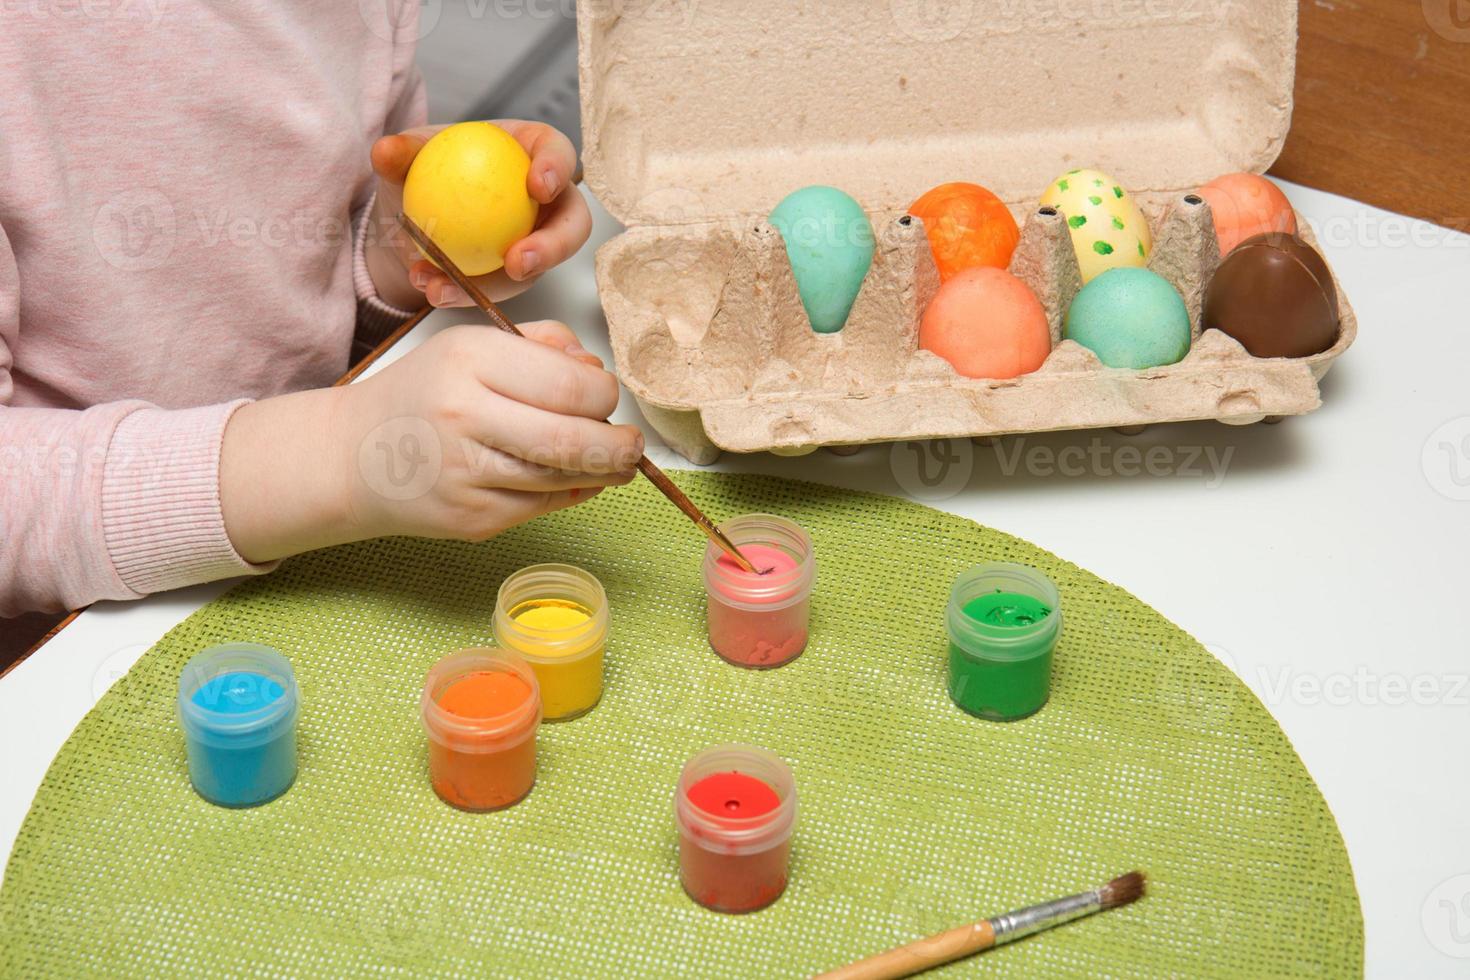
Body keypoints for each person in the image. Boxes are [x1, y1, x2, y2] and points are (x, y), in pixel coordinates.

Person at [0, 3, 641, 619]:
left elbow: (310, 268)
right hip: (82, 625)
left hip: (328, 546)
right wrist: (340, 452)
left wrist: (398, 253)